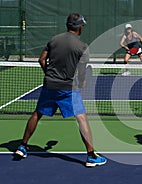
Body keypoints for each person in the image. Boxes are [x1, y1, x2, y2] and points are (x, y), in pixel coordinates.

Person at [14, 13, 107, 167]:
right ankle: (91, 155)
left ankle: (22, 146)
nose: (83, 27)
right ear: (79, 27)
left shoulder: (54, 40)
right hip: (68, 89)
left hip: (50, 85)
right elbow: (82, 70)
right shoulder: (82, 47)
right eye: (82, 24)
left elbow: (41, 60)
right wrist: (82, 81)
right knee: (81, 118)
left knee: (37, 114)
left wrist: (49, 74)